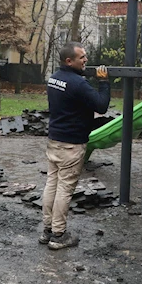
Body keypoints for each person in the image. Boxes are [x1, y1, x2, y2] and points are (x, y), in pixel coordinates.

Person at [40, 42, 110, 250]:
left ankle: (47, 230)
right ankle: (59, 235)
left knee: (51, 184)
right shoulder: (78, 84)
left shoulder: (54, 78)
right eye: (82, 58)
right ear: (69, 61)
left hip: (55, 140)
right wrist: (104, 83)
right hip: (71, 144)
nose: (86, 60)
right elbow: (101, 106)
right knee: (64, 189)